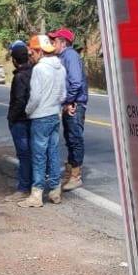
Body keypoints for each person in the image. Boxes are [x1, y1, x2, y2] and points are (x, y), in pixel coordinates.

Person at [19, 34, 66, 208]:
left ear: (39, 51)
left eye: (32, 52)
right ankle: (55, 190)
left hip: (40, 116)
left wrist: (27, 111)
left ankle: (36, 194)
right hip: (55, 114)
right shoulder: (60, 68)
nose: (31, 56)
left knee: (39, 155)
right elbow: (63, 95)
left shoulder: (39, 69)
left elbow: (35, 97)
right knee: (53, 152)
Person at [50, 28, 88, 191]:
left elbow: (76, 82)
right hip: (69, 103)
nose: (52, 44)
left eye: (55, 41)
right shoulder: (63, 56)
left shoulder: (70, 55)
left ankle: (75, 176)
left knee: (75, 138)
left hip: (75, 104)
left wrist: (70, 101)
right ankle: (70, 171)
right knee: (70, 138)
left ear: (63, 42)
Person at [5, 42, 33, 202]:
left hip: (21, 121)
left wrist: (12, 118)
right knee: (33, 153)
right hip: (32, 118)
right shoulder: (33, 72)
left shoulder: (20, 77)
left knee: (24, 155)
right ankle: (35, 184)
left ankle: (23, 187)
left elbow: (20, 100)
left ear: (14, 60)